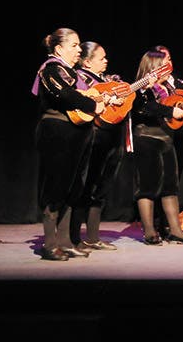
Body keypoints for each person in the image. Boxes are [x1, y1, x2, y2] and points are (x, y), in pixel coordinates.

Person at [31, 28, 110, 260]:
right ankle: (49, 244)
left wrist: (102, 100)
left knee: (72, 187)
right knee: (55, 186)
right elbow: (64, 94)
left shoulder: (73, 73)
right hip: (57, 130)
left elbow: (84, 95)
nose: (78, 50)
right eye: (74, 45)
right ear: (58, 48)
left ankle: (65, 242)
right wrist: (92, 105)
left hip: (76, 132)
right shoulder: (51, 69)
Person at [130, 49, 183, 245]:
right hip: (146, 138)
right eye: (165, 65)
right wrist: (169, 110)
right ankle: (149, 232)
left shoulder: (168, 88)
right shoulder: (141, 88)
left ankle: (175, 231)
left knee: (170, 186)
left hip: (166, 138)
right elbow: (144, 108)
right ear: (154, 67)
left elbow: (180, 106)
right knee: (147, 187)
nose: (169, 69)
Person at [68, 41, 127, 252]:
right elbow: (81, 104)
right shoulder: (80, 79)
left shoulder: (106, 80)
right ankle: (73, 238)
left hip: (111, 137)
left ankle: (93, 237)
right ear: (86, 62)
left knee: (101, 189)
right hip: (93, 138)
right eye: (101, 58)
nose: (106, 61)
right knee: (84, 187)